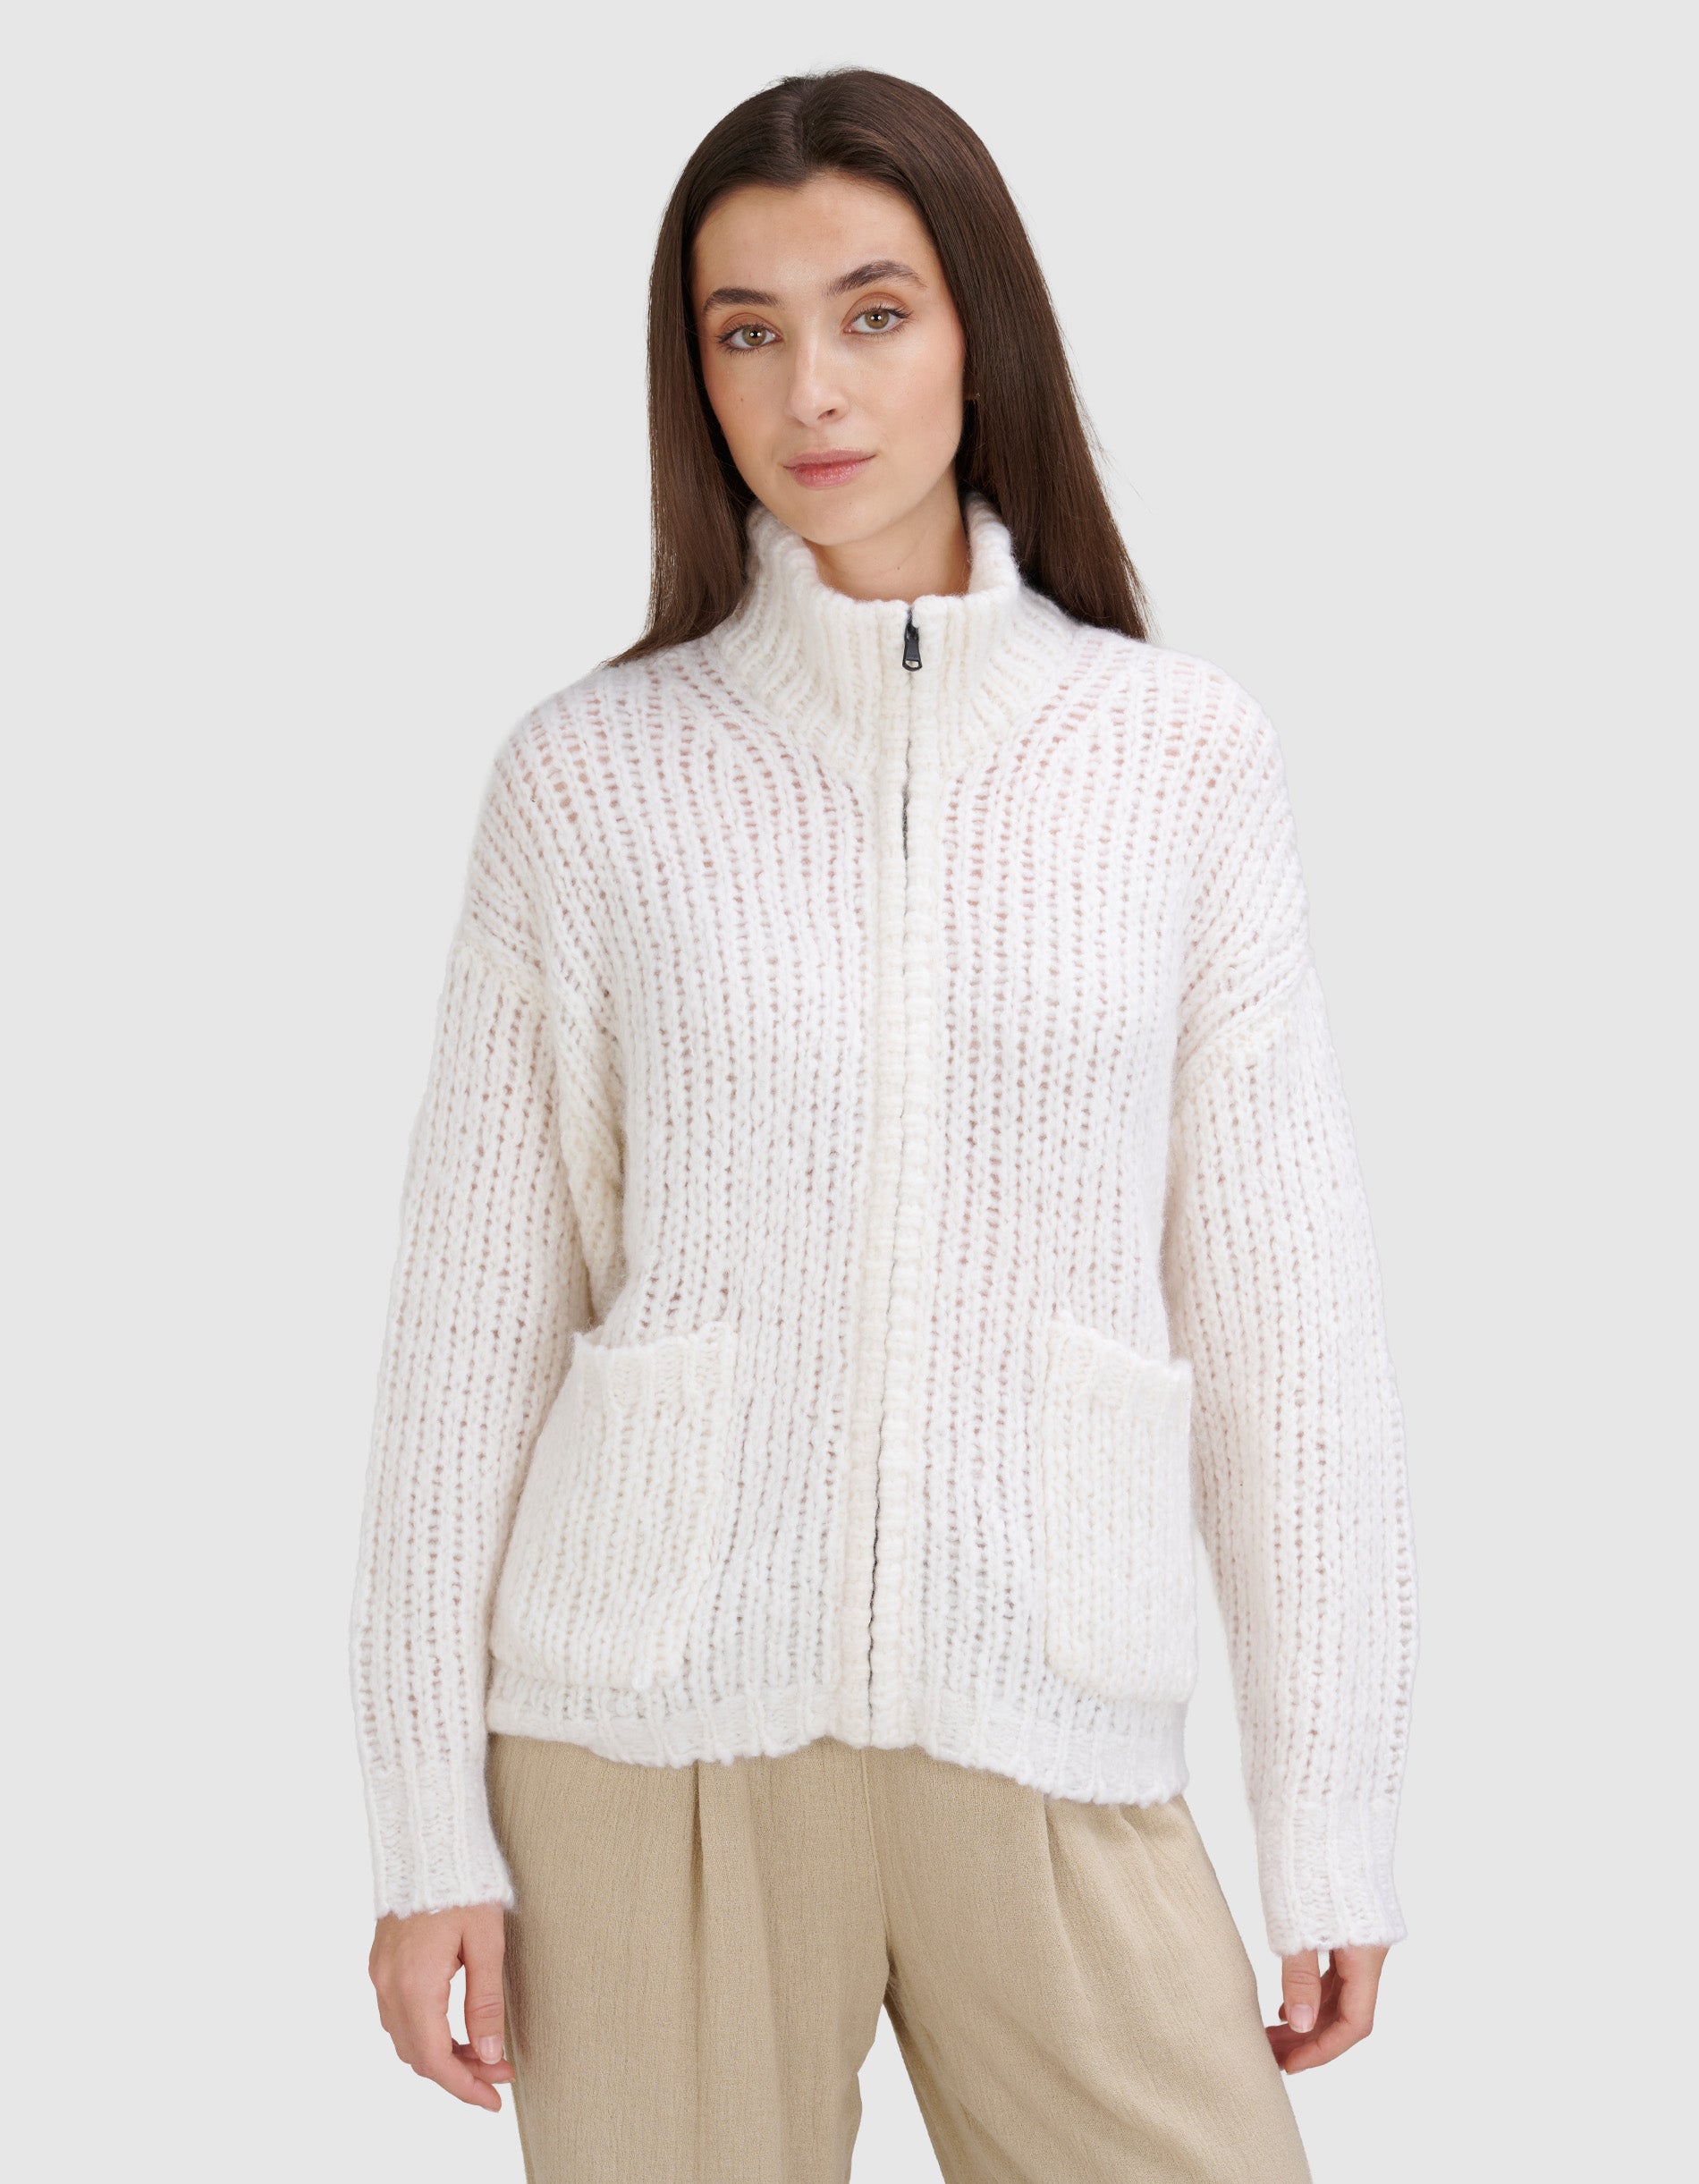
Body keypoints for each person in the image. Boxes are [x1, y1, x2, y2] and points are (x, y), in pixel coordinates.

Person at [349, 66, 1419, 2184]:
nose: (808, 390)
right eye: (743, 330)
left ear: (976, 333)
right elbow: (467, 1338)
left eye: (871, 312)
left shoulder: (1177, 759)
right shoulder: (589, 779)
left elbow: (1287, 1335)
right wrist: (420, 1830)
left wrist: (1331, 1820)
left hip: (1051, 1719)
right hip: (645, 1749)